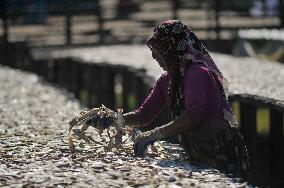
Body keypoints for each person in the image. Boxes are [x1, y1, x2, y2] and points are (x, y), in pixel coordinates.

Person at [122, 20, 251, 182]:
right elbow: (143, 116)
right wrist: (115, 119)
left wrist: (154, 134)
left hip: (221, 151)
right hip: (197, 152)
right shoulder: (167, 80)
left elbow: (192, 117)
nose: (154, 56)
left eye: (158, 50)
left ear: (173, 49)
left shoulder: (197, 73)